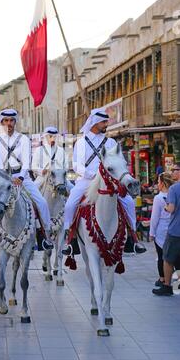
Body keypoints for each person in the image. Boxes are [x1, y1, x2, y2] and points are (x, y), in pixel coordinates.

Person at [62, 107, 137, 255]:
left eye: (106, 122)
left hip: (108, 180)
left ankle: (133, 238)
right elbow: (76, 165)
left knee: (129, 202)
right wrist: (90, 174)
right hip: (86, 180)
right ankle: (70, 239)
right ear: (95, 122)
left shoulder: (110, 142)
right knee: (71, 203)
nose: (106, 124)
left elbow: (120, 161)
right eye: (103, 122)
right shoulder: (81, 142)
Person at [0, 109, 53, 250]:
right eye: (6, 121)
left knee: (42, 202)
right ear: (2, 122)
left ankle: (45, 235)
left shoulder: (23, 139)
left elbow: (27, 161)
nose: (9, 123)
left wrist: (21, 177)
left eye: (11, 120)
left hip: (22, 178)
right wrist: (5, 178)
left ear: (15, 122)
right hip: (3, 179)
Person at [153, 162, 180, 296]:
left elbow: (171, 209)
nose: (172, 172)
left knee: (168, 260)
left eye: (175, 169)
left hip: (175, 230)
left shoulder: (174, 189)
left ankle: (167, 286)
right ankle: (178, 286)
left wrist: (165, 207)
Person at [149, 172, 175, 287]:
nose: (157, 184)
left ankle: (163, 279)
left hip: (161, 229)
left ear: (163, 183)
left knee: (161, 257)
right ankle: (177, 282)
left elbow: (154, 218)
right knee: (176, 258)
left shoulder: (158, 198)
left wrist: (151, 233)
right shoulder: (174, 194)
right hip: (173, 228)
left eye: (158, 182)